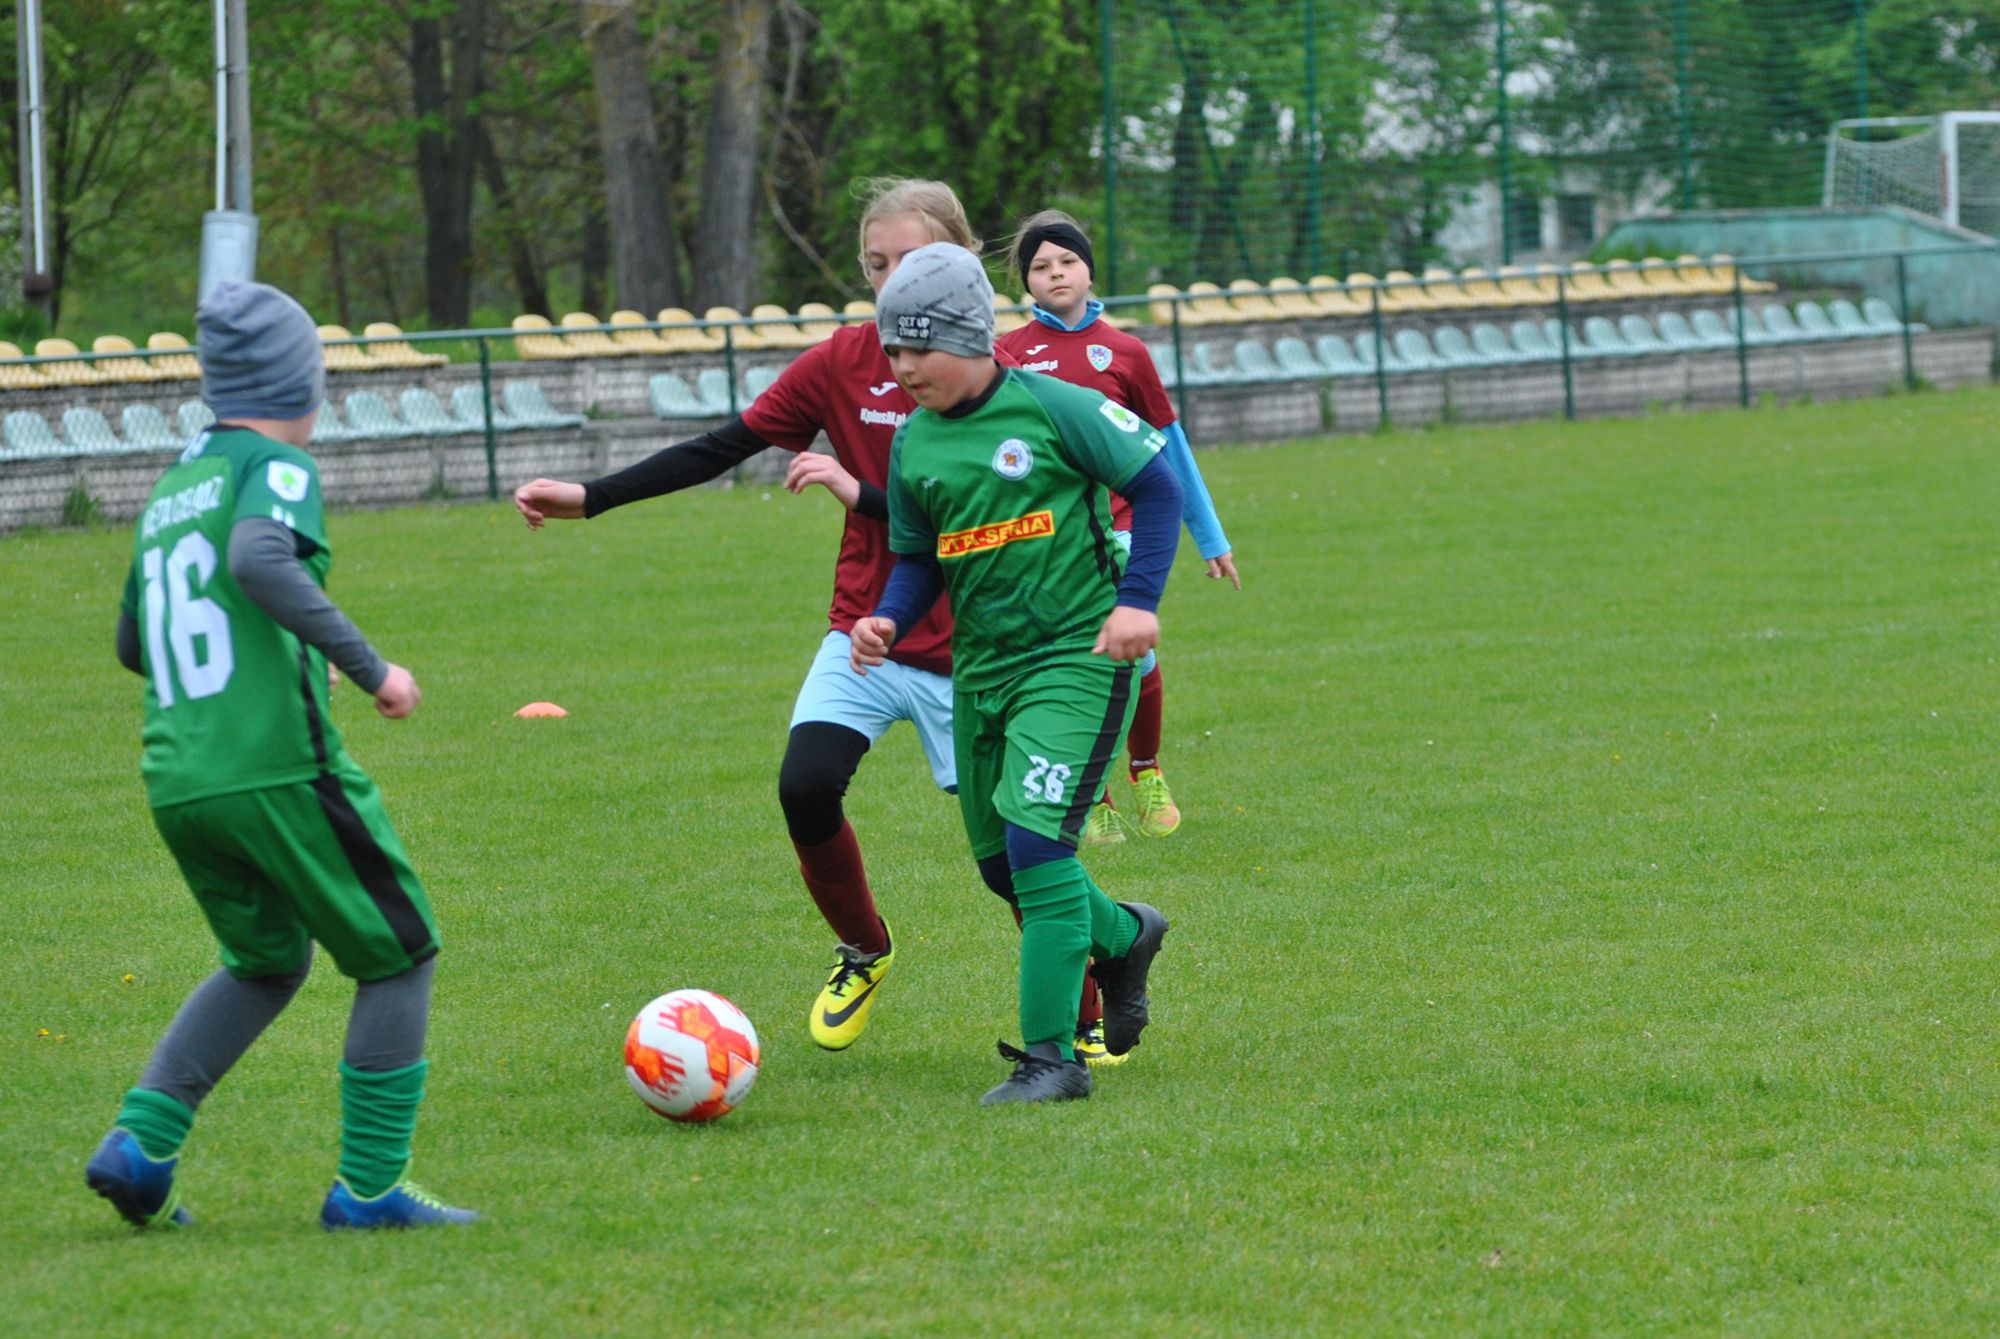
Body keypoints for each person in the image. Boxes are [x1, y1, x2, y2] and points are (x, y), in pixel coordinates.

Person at [513, 179, 978, 1054]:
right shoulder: (841, 362)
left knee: (1008, 859)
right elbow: (724, 445)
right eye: (876, 265)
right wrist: (593, 497)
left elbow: (983, 516)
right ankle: (863, 947)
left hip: (979, 645)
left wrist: (858, 492)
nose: (889, 283)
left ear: (957, 261)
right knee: (805, 784)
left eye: (910, 263)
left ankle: (1100, 977)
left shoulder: (1003, 375)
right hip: (868, 633)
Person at [88, 280, 475, 1231]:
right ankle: (371, 1190)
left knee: (266, 958)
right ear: (302, 381)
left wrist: (274, 658)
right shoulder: (276, 464)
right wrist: (370, 665)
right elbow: (261, 560)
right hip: (278, 768)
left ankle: (141, 1143)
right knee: (401, 950)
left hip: (180, 778)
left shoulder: (174, 487)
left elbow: (138, 643)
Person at [851, 242, 1180, 1104]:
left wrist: (1138, 600)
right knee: (1002, 867)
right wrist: (888, 613)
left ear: (972, 338)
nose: (905, 366)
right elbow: (921, 557)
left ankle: (1053, 1057)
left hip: (1075, 657)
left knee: (1039, 845)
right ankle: (1123, 933)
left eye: (921, 347)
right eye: (894, 349)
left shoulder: (1051, 406)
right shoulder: (916, 442)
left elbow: (1158, 483)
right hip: (981, 675)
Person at [994, 210, 1238, 846]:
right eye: (1041, 267)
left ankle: (1146, 771)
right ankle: (1093, 796)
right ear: (1027, 283)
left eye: (1066, 262)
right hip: (1047, 537)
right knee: (1076, 663)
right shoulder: (1010, 355)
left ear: (1088, 270)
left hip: (1123, 528)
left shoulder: (1126, 352)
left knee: (1134, 652)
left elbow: (1170, 452)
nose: (1056, 274)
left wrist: (1209, 538)